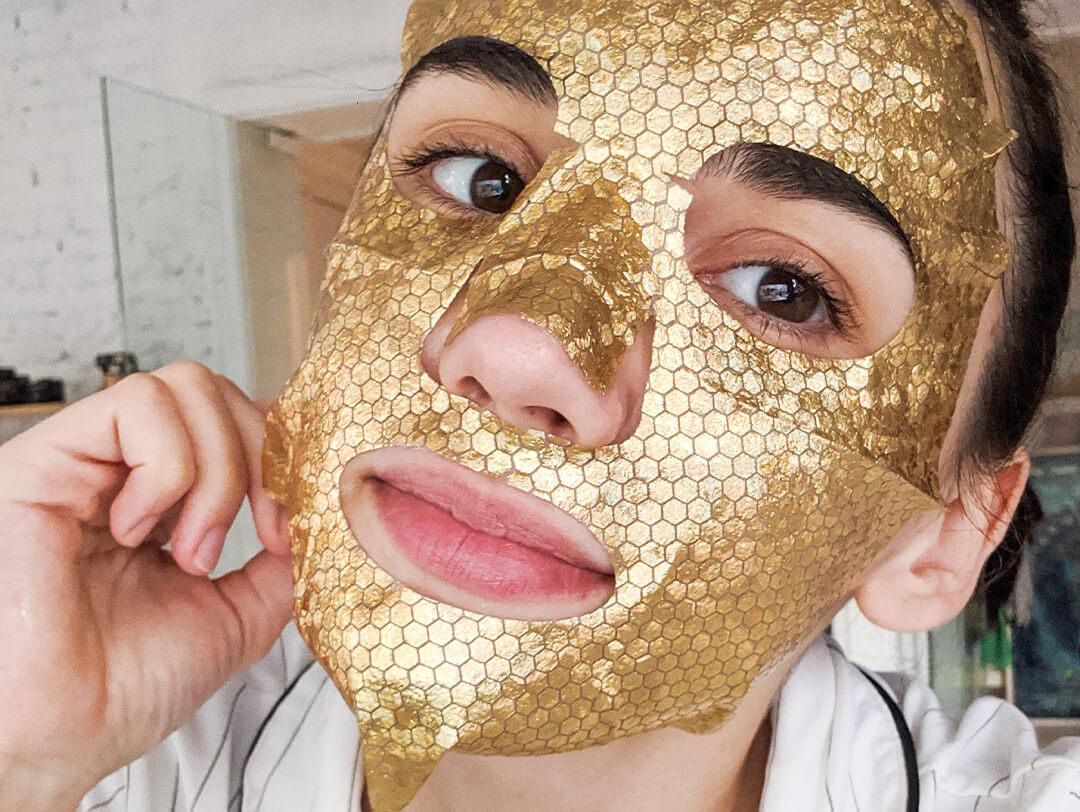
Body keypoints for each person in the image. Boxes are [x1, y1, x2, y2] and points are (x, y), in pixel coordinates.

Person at [1, 0, 1077, 809]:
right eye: (479, 177)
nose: (514, 347)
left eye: (779, 291)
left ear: (943, 535)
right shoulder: (111, 756)